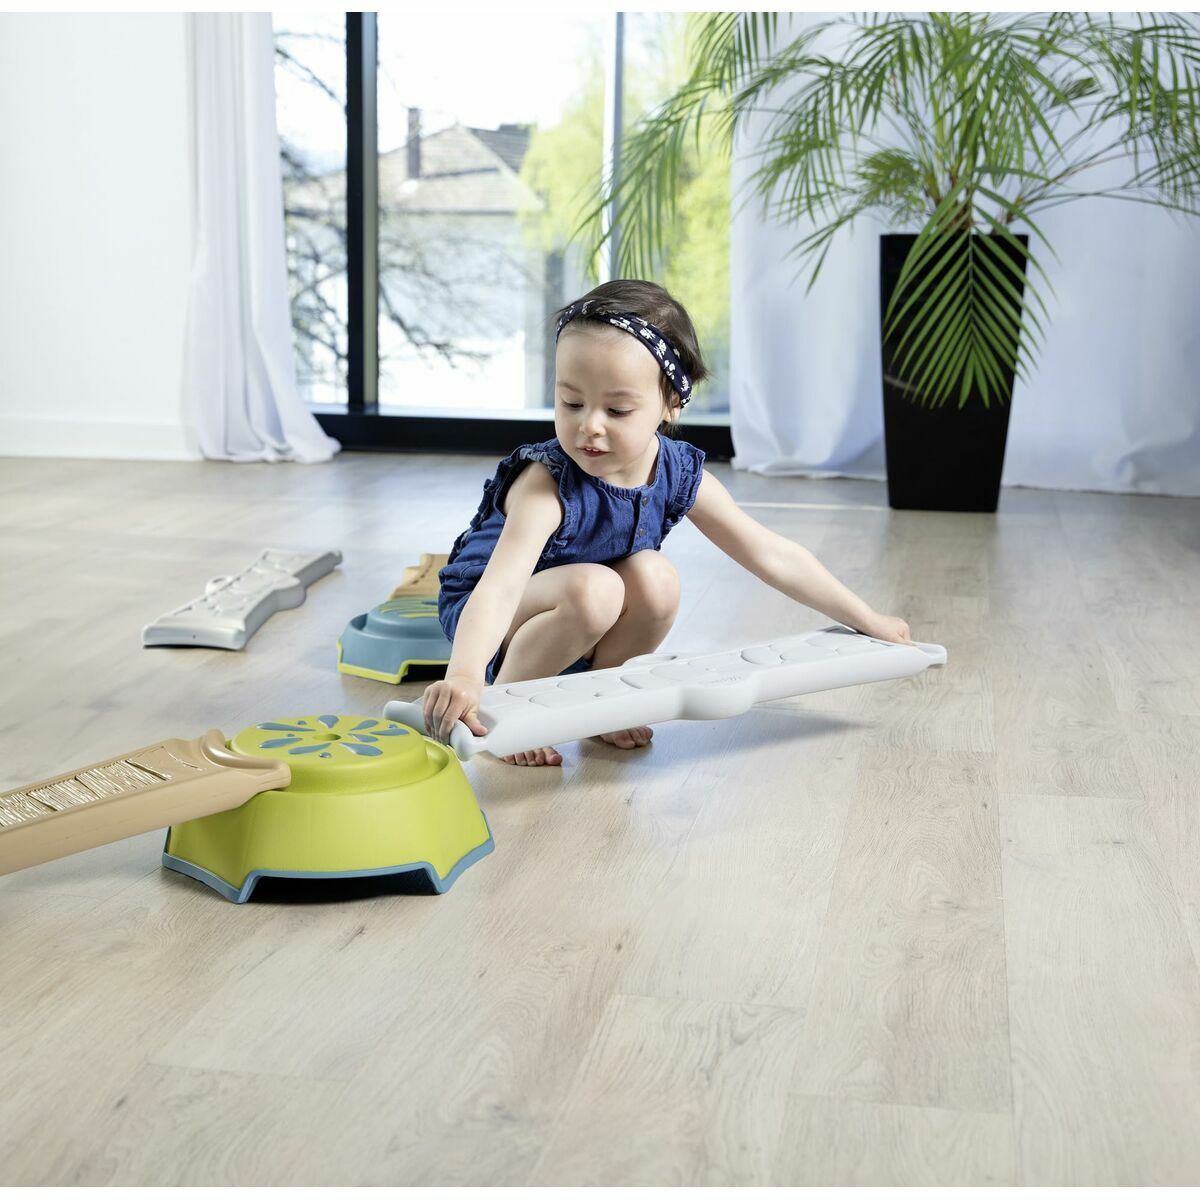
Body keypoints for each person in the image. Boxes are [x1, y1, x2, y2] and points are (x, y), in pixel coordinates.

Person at [423, 279, 913, 766]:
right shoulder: (546, 483)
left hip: (583, 611)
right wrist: (465, 675)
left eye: (617, 410)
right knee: (595, 589)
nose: (589, 425)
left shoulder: (678, 472)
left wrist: (865, 620)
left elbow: (770, 553)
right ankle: (508, 709)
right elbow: (500, 589)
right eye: (571, 403)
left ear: (671, 404)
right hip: (489, 616)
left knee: (657, 578)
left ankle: (598, 699)